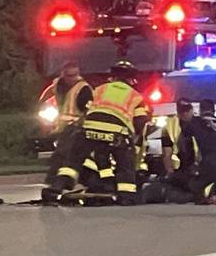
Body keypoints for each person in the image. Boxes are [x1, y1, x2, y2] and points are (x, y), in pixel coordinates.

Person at [41, 61, 149, 206]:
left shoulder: (100, 89)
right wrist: (131, 137)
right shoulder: (135, 96)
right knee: (125, 163)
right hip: (117, 132)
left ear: (113, 77)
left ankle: (55, 190)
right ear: (131, 79)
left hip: (89, 129)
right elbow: (141, 121)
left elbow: (88, 108)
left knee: (72, 163)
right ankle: (126, 195)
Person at [40, 61, 93, 184]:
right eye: (69, 75)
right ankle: (67, 180)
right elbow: (46, 97)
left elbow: (89, 109)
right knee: (67, 154)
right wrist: (41, 105)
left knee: (64, 154)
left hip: (77, 127)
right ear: (63, 74)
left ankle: (55, 180)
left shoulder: (84, 89)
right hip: (61, 127)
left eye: (75, 75)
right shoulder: (58, 84)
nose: (72, 78)